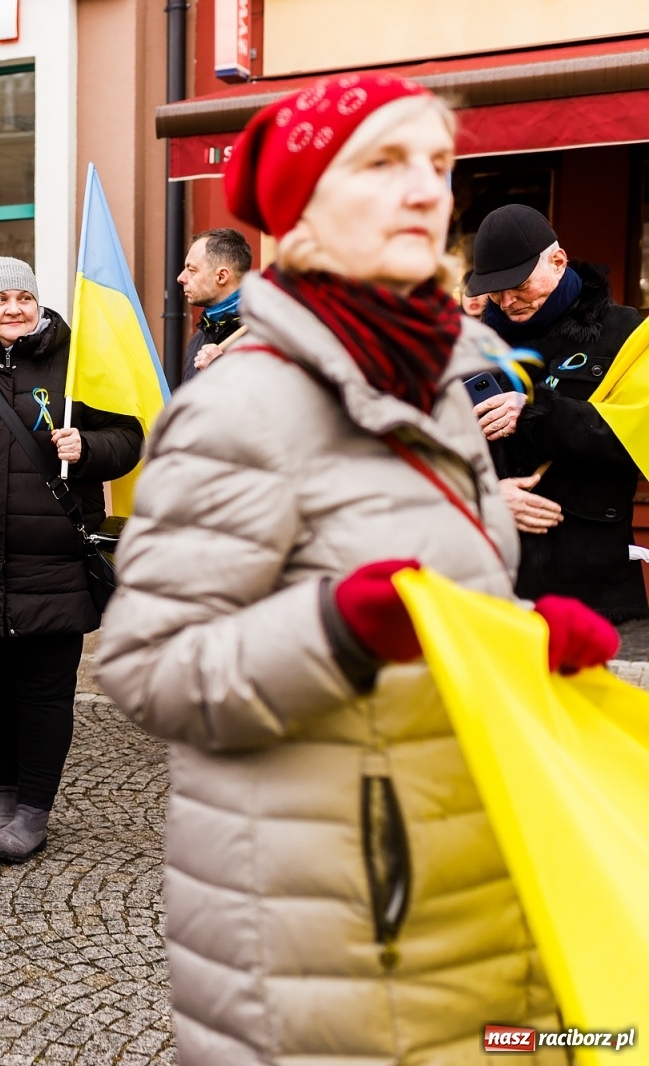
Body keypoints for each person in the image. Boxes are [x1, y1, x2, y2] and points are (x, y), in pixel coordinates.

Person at [97, 76, 606, 1063]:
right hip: (335, 932)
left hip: (474, 876)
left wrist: (521, 640)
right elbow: (146, 665)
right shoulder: (240, 407)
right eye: (381, 164)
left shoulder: (439, 379)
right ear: (303, 211)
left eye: (436, 164)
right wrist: (335, 630)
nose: (424, 190)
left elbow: (440, 602)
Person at [0, 260, 142, 861]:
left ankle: (35, 809)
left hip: (52, 562)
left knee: (45, 693)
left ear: (39, 302)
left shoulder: (77, 363)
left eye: (25, 297)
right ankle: (7, 791)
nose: (14, 308)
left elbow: (130, 435)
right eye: (1, 299)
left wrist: (90, 447)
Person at [464, 204, 647, 620]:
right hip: (489, 581)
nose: (507, 302)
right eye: (494, 291)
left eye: (519, 286)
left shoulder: (628, 334)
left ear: (558, 262)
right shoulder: (467, 344)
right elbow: (427, 450)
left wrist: (539, 414)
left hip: (595, 586)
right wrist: (483, 496)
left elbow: (637, 439)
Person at [178, 228, 252, 381]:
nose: (181, 278)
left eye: (192, 270)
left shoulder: (262, 336)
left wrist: (217, 366)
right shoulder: (199, 339)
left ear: (221, 276)